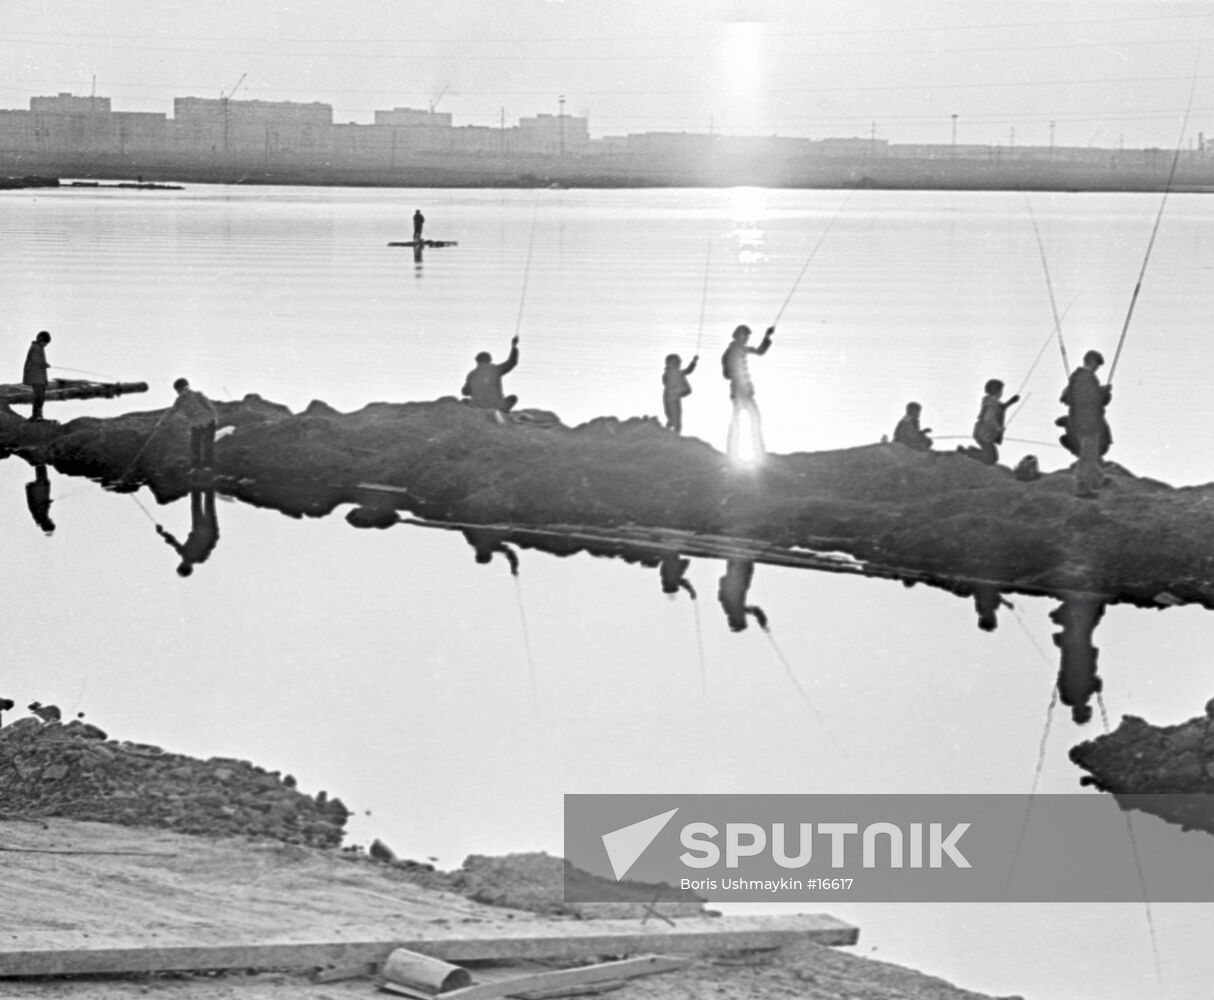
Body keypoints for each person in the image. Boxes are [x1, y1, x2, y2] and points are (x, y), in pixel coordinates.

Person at [1059, 350, 1112, 499]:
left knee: (1090, 453)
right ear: (1091, 361)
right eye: (1097, 364)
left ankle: (1097, 479)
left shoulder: (1076, 378)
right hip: (1088, 423)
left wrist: (1102, 392)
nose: (1097, 368)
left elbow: (1067, 398)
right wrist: (1105, 393)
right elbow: (1093, 401)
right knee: (1087, 456)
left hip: (1079, 422)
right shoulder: (1086, 379)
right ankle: (1082, 489)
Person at [1050, 596, 1106, 724]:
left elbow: (1069, 678)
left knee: (1081, 629)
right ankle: (1084, 606)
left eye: (1084, 711)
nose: (1085, 708)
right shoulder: (1084, 695)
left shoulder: (1070, 697)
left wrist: (1095, 685)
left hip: (1075, 657)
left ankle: (1077, 607)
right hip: (1082, 656)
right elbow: (1092, 678)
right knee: (1084, 629)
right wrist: (1096, 684)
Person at [721, 324, 774, 459]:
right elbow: (731, 373)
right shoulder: (733, 351)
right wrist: (744, 388)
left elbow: (760, 351)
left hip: (741, 391)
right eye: (745, 336)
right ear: (738, 336)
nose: (747, 339)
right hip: (740, 392)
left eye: (747, 337)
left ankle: (735, 452)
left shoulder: (739, 349)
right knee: (750, 419)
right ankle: (753, 452)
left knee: (742, 419)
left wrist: (767, 336)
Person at [156, 489, 220, 577]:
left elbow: (211, 544)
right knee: (197, 506)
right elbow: (172, 541)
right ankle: (197, 487)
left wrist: (162, 533)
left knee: (208, 506)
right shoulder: (185, 553)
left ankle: (208, 488)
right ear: (182, 565)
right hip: (202, 531)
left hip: (210, 532)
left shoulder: (200, 559)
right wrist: (162, 532)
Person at [966, 378, 1019, 466]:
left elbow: (1001, 407)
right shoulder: (991, 405)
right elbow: (989, 418)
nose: (1002, 393)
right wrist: (998, 428)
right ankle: (967, 453)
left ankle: (971, 451)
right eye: (1001, 390)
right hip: (985, 434)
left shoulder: (991, 402)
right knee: (991, 458)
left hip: (983, 433)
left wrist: (1011, 401)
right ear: (997, 391)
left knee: (991, 455)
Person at [169, 377, 218, 470]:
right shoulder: (179, 400)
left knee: (207, 445)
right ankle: (195, 466)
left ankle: (208, 466)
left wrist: (214, 419)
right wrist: (161, 422)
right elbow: (172, 410)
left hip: (208, 421)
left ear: (186, 388)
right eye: (177, 391)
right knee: (194, 445)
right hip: (195, 424)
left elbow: (210, 407)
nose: (179, 393)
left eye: (180, 390)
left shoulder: (197, 395)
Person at [462, 336, 520, 412]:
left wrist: (477, 389)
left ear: (477, 361)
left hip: (477, 407)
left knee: (464, 401)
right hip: (495, 406)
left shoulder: (471, 374)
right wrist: (514, 346)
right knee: (513, 398)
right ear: (489, 360)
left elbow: (465, 392)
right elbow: (512, 362)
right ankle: (502, 411)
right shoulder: (496, 369)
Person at [717, 558, 768, 632]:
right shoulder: (733, 610)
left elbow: (755, 611)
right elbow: (755, 611)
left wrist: (762, 621)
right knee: (741, 559)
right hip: (740, 576)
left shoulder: (732, 609)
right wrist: (762, 622)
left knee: (740, 559)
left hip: (738, 576)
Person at [662, 353, 698, 434]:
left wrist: (694, 362)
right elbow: (688, 371)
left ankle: (670, 434)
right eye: (677, 362)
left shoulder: (673, 373)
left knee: (674, 419)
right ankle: (670, 434)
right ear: (670, 364)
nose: (679, 364)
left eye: (678, 362)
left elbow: (688, 371)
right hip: (671, 399)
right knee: (674, 420)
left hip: (673, 399)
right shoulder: (670, 374)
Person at [22, 330, 51, 422]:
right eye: (45, 343)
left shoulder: (38, 347)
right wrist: (44, 364)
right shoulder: (36, 348)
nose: (45, 345)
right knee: (39, 397)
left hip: (38, 377)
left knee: (40, 396)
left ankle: (36, 416)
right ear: (41, 340)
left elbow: (37, 361)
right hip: (36, 378)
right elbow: (36, 361)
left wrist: (44, 364)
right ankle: (37, 416)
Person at [25, 463, 55, 534]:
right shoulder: (40, 518)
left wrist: (46, 503)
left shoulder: (41, 518)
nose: (52, 521)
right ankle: (39, 461)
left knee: (41, 474)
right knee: (42, 475)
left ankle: (39, 460)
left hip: (39, 492)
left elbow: (37, 506)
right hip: (39, 492)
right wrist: (47, 502)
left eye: (51, 523)